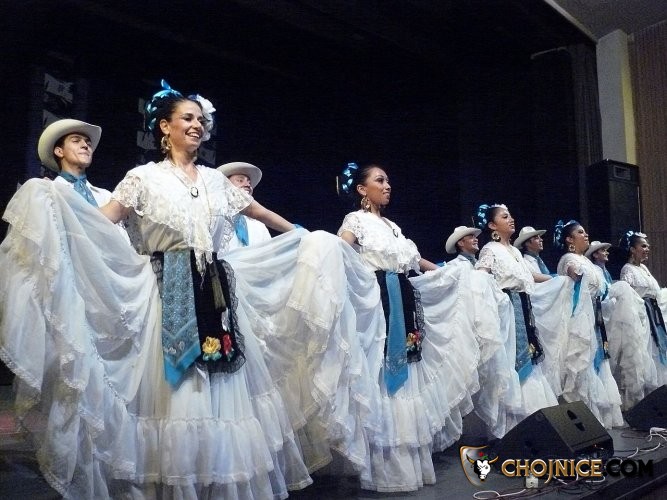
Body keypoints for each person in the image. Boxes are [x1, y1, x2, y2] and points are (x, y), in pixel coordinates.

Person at [2, 80, 313, 499]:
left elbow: (258, 211)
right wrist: (55, 211)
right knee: (178, 389)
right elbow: (102, 222)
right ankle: (178, 481)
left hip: (214, 292)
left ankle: (215, 478)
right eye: (188, 118)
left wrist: (301, 234)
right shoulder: (142, 178)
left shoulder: (216, 181)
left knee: (219, 384)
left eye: (201, 120)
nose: (197, 125)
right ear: (165, 127)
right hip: (166, 291)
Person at [336, 163, 480, 492]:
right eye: (380, 180)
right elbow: (340, 248)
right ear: (362, 189)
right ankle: (385, 468)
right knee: (383, 371)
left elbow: (415, 262)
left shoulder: (393, 227)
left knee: (409, 371)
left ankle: (409, 464)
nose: (387, 185)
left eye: (388, 180)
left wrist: (449, 272)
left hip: (403, 299)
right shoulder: (355, 220)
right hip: (378, 302)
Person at [474, 204, 558, 426]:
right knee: (510, 360)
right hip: (508, 309)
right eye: (504, 217)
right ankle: (512, 425)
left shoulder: (515, 252)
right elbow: (480, 276)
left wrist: (557, 280)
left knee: (530, 357)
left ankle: (534, 421)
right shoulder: (490, 249)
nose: (511, 219)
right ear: (492, 225)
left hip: (523, 307)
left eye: (510, 215)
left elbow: (528, 276)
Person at [553, 220, 623, 427]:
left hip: (593, 315)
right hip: (577, 317)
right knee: (579, 362)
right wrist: (576, 274)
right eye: (580, 232)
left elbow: (601, 288)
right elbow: (572, 273)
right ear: (569, 239)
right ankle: (577, 419)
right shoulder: (568, 259)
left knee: (595, 361)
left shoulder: (588, 262)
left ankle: (594, 418)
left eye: (585, 232)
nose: (585, 235)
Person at [588, 239, 657, 409]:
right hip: (614, 313)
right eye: (603, 250)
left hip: (639, 310)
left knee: (636, 351)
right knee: (622, 353)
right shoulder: (616, 270)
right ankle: (628, 398)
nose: (606, 252)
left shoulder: (606, 271)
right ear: (595, 254)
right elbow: (614, 292)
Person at [620, 230, 667, 386]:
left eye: (648, 246)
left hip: (654, 314)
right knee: (647, 351)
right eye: (643, 246)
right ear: (633, 249)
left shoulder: (644, 269)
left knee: (658, 349)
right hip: (642, 315)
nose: (647, 249)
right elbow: (627, 296)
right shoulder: (627, 269)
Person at [37, 118, 109, 206]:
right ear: (59, 152)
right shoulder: (48, 191)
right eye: (76, 141)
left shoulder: (105, 196)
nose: (85, 145)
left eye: (89, 144)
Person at [217, 161, 272, 251]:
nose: (248, 185)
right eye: (240, 180)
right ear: (225, 185)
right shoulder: (215, 216)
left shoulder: (259, 225)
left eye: (249, 183)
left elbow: (269, 254)